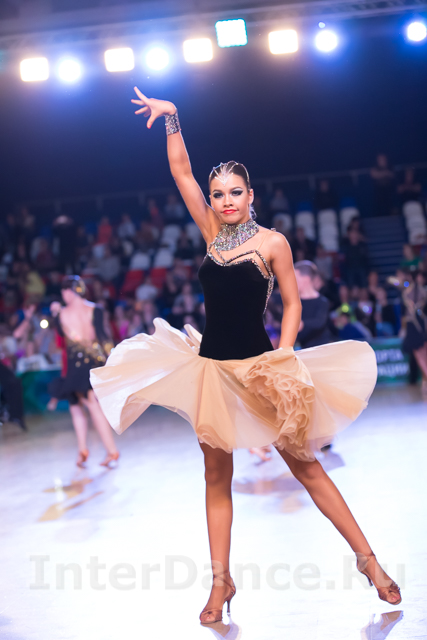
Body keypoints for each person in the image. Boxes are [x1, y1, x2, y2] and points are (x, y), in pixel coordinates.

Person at [91, 89, 401, 624]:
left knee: (307, 469)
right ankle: (221, 581)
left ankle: (369, 561)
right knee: (216, 478)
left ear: (251, 195)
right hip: (211, 371)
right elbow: (182, 172)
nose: (225, 200)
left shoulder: (273, 243)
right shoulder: (211, 234)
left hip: (260, 370)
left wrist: (284, 355)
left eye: (235, 191)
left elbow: (292, 303)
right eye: (218, 194)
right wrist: (172, 119)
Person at [49, 276, 119, 468]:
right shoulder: (96, 309)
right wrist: (112, 360)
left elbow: (61, 338)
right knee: (78, 404)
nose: (63, 295)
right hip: (95, 362)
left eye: (64, 291)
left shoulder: (62, 314)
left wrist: (55, 313)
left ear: (69, 291)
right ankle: (84, 449)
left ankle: (111, 450)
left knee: (90, 404)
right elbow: (104, 338)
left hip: (76, 367)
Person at [295, 261, 333, 348]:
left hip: (321, 347)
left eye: (296, 278)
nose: (293, 281)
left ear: (306, 279)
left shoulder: (322, 301)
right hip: (302, 347)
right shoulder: (294, 302)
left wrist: (302, 324)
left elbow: (320, 322)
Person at [401, 271, 427, 400]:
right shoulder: (409, 292)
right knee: (419, 354)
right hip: (414, 325)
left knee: (422, 354)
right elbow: (409, 311)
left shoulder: (420, 292)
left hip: (419, 325)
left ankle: (425, 381)